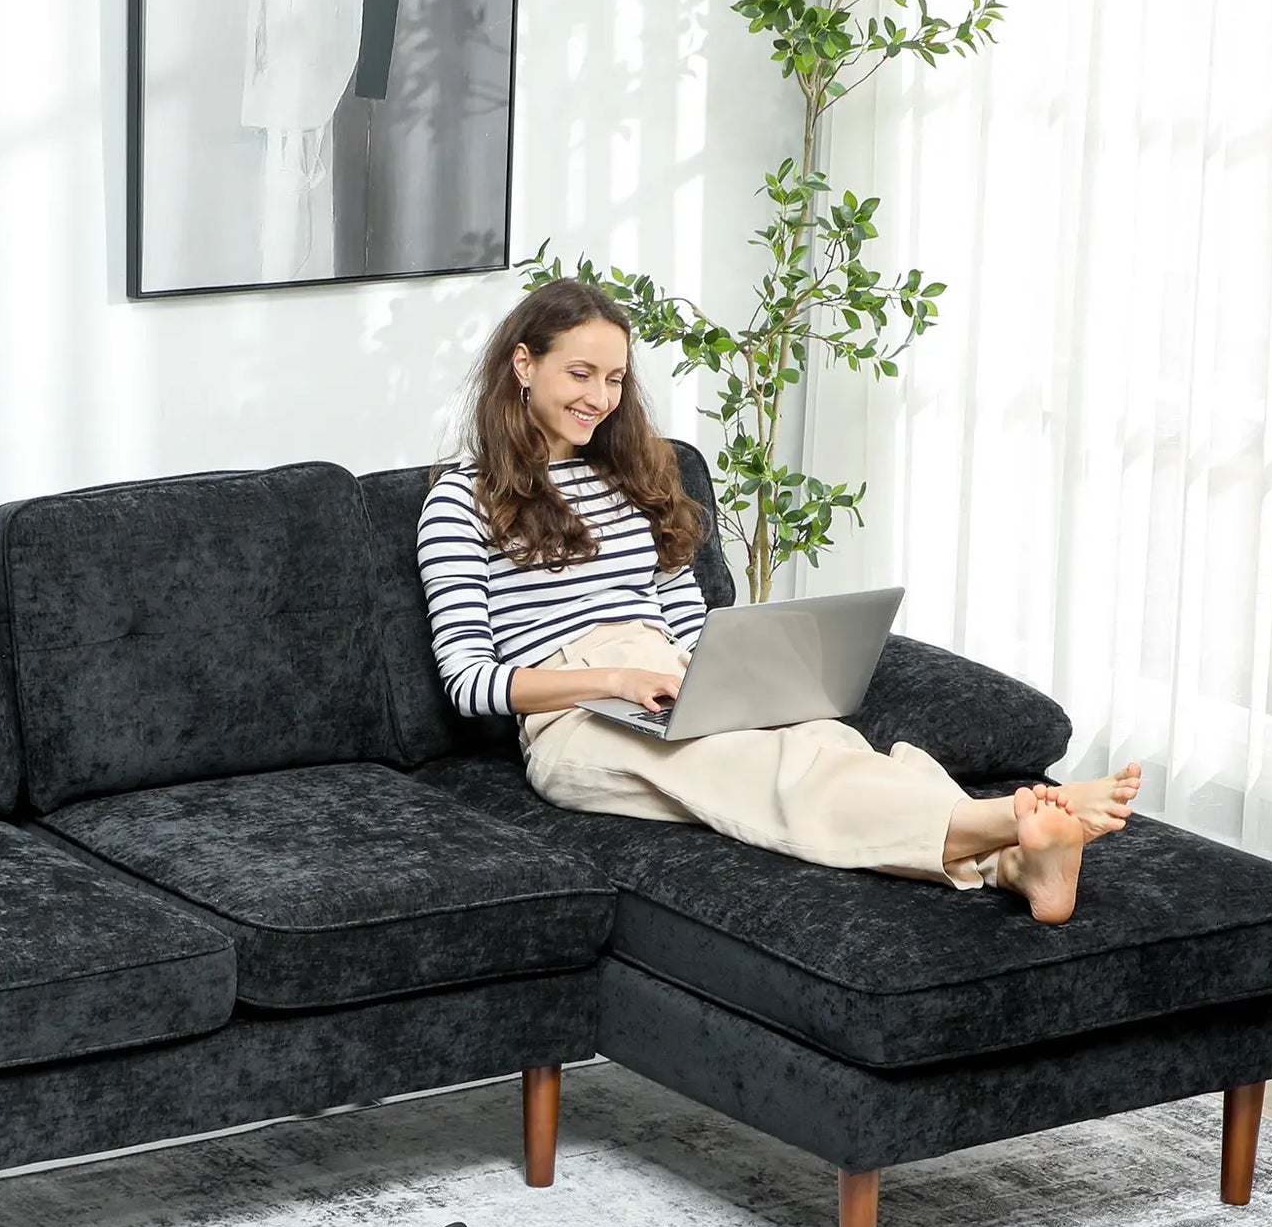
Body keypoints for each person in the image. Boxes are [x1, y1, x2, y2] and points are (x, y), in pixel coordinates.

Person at [417, 278, 1141, 924]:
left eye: (613, 379)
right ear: (523, 364)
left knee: (825, 739)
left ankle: (1012, 866)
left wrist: (735, 673)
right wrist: (613, 681)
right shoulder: (461, 499)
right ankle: (1008, 822)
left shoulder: (631, 477)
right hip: (572, 716)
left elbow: (684, 625)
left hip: (666, 678)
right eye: (579, 373)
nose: (598, 398)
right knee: (764, 773)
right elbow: (470, 684)